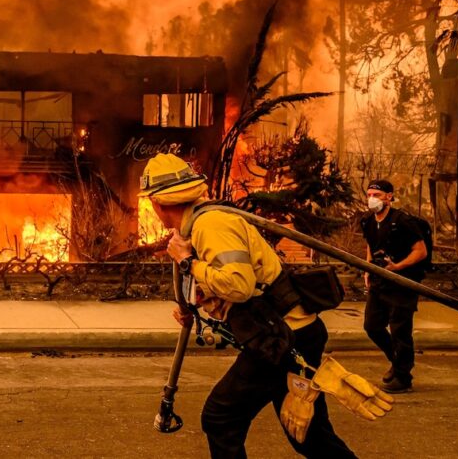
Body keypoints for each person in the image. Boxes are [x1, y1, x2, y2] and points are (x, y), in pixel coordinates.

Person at [140, 153, 355, 458]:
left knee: (221, 417)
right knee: (308, 435)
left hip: (283, 338)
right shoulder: (196, 226)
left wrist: (187, 262)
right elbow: (231, 280)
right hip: (289, 334)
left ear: (157, 203)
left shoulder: (210, 225)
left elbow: (238, 285)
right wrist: (197, 301)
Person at [360, 179, 427, 393]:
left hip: (403, 283)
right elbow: (371, 246)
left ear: (389, 196)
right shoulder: (368, 221)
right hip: (379, 282)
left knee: (400, 330)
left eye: (377, 195)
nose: (372, 199)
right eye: (369, 194)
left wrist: (397, 266)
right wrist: (367, 269)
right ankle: (397, 362)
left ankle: (403, 376)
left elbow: (420, 251)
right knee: (372, 326)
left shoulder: (403, 221)